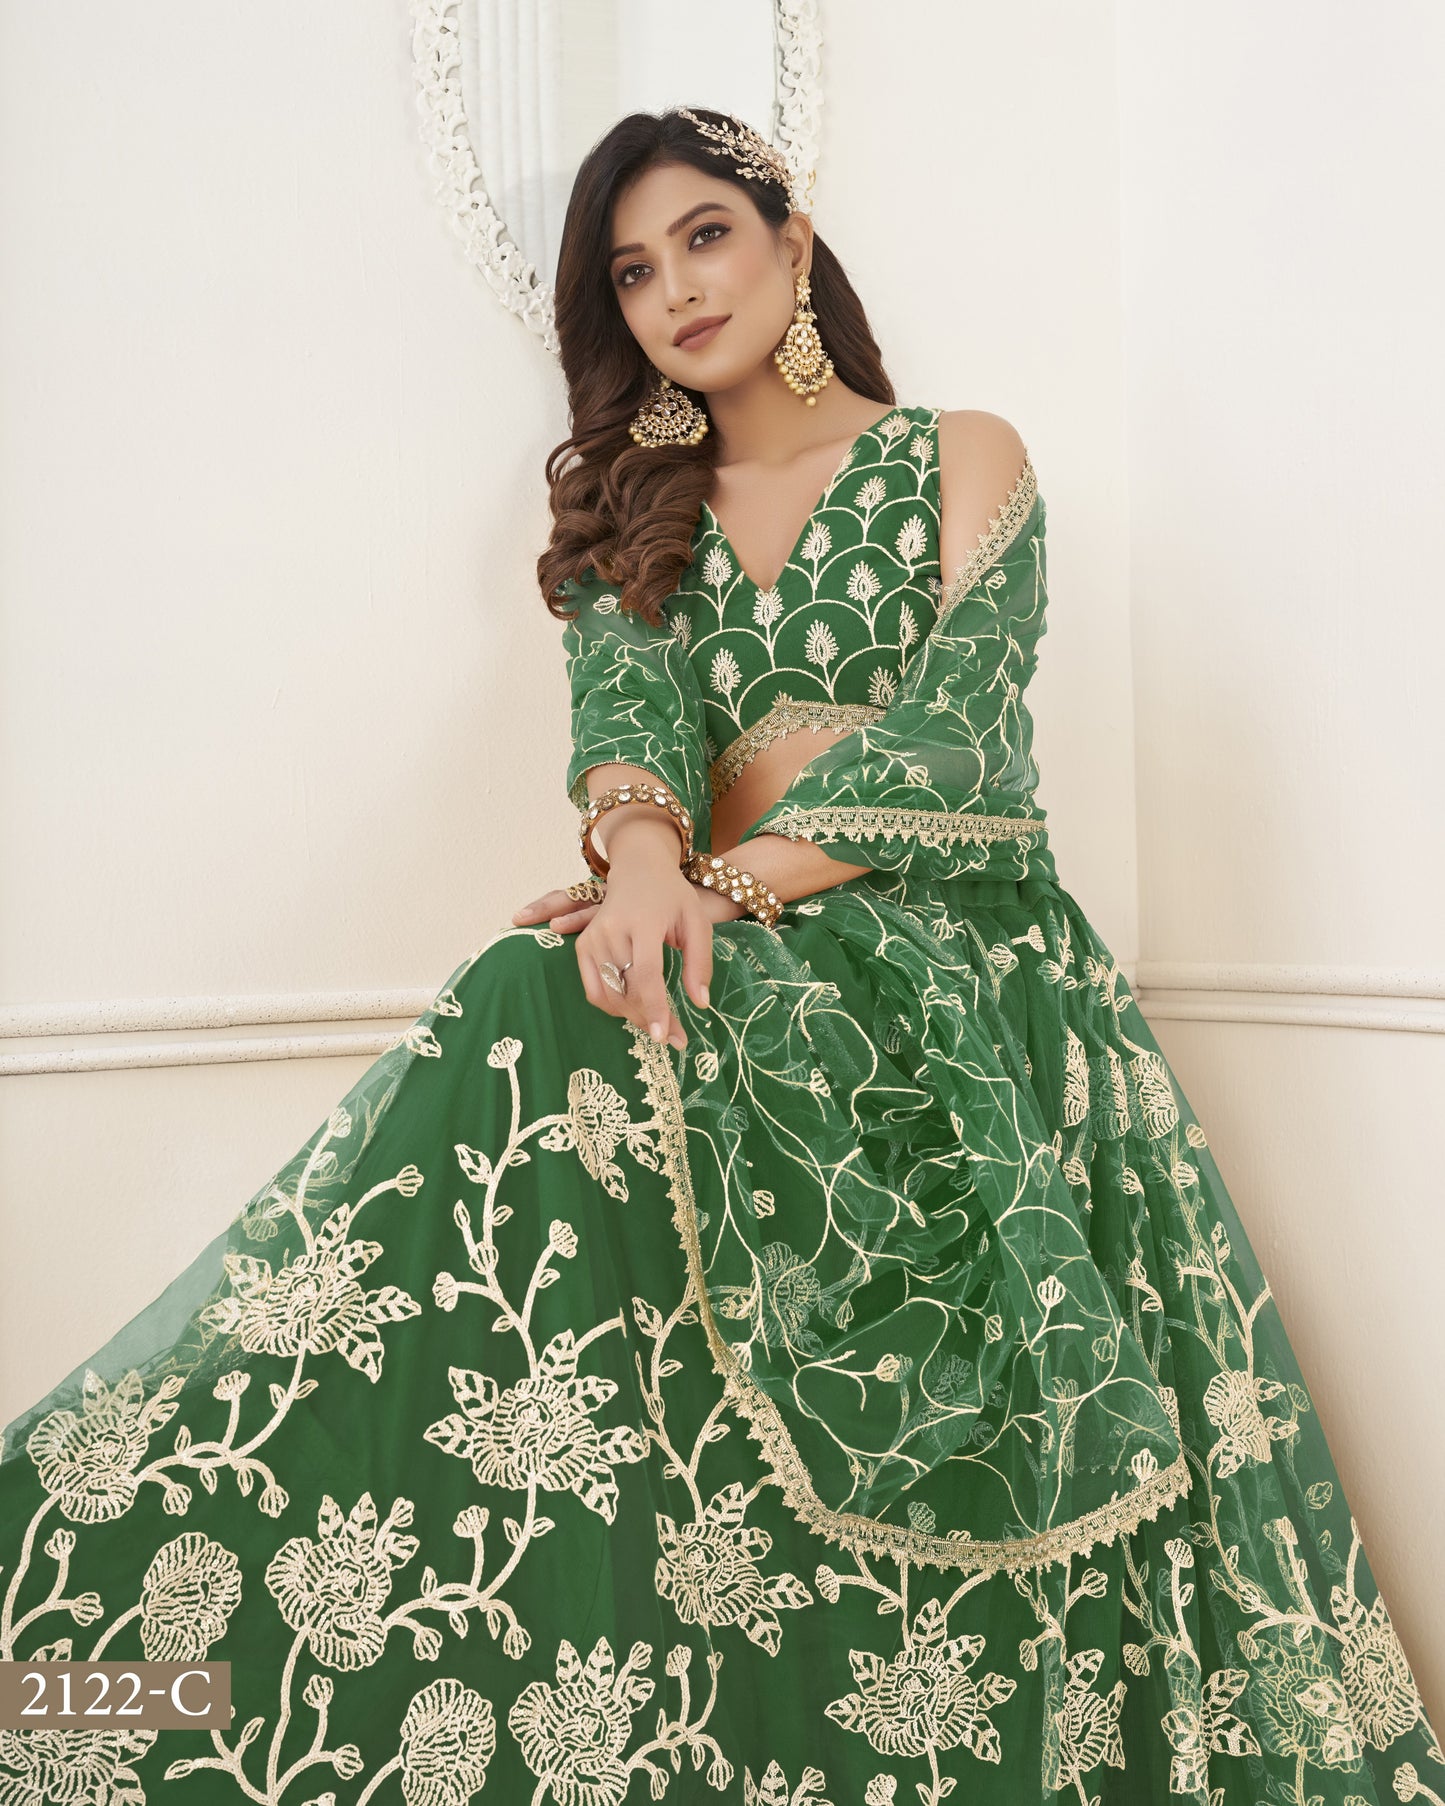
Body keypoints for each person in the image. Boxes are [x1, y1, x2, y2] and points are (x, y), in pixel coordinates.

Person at [0, 104, 1437, 1806]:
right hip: (726, 946)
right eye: (630, 271)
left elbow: (957, 747)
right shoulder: (641, 509)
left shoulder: (960, 454)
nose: (672, 289)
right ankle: (103, 1668)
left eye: (702, 237)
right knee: (522, 998)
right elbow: (627, 732)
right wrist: (633, 871)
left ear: (788, 241)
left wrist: (724, 882)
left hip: (958, 976)